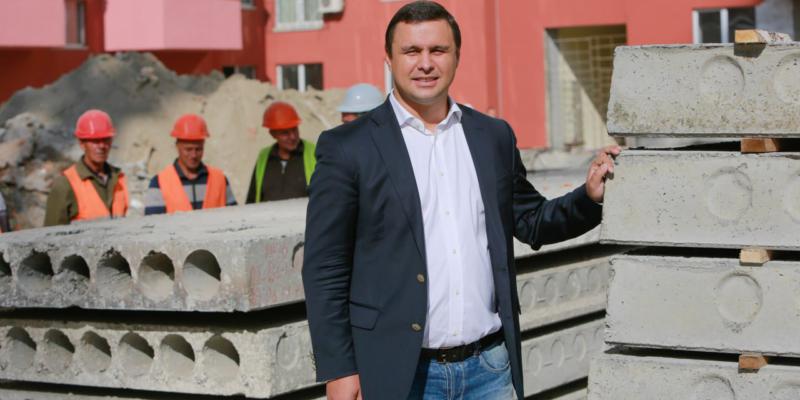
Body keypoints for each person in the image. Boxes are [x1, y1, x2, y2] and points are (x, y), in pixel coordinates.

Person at [301, 2, 621, 399]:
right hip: (400, 375)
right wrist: (340, 369)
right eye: (411, 51)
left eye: (438, 50)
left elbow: (532, 221)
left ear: (456, 56)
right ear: (388, 58)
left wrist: (589, 198)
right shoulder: (349, 147)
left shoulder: (492, 137)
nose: (425, 63)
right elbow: (325, 267)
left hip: (490, 369)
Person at [45, 109, 129, 226]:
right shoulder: (65, 185)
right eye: (95, 141)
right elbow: (50, 234)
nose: (101, 146)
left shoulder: (118, 178)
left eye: (106, 140)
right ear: (82, 143)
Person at [144, 114, 236, 215]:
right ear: (177, 147)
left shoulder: (220, 179)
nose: (194, 155)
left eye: (198, 149)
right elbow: (153, 223)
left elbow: (234, 217)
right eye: (188, 149)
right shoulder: (159, 183)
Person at [246, 101, 316, 203]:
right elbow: (251, 199)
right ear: (272, 134)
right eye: (285, 133)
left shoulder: (314, 152)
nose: (292, 137)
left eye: (294, 130)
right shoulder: (264, 157)